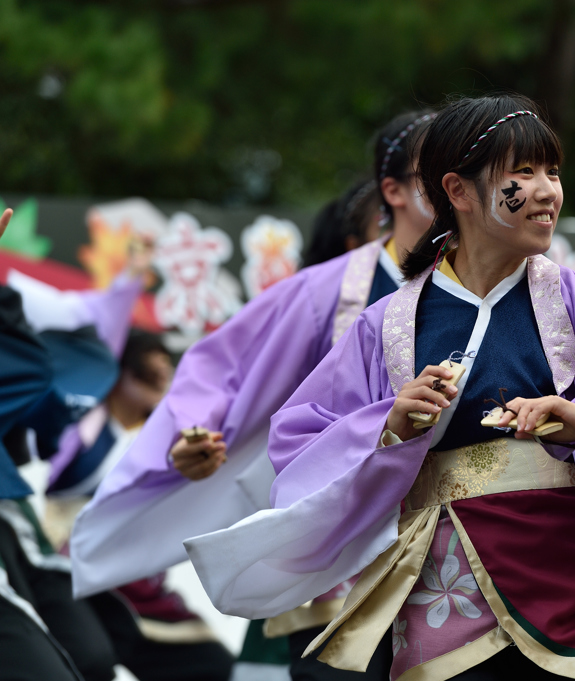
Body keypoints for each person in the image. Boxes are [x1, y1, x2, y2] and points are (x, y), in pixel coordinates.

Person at [185, 93, 575, 681]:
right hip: (450, 587)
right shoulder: (387, 324)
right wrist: (387, 423)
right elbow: (298, 441)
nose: (548, 190)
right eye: (523, 173)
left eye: (552, 171)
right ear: (458, 191)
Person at [71, 110, 436, 681]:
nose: (456, 183)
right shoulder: (327, 291)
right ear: (393, 191)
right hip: (339, 545)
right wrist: (191, 433)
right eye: (433, 171)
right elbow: (222, 368)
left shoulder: (513, 288)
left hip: (459, 550)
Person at [0, 206, 149, 681]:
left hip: (24, 524)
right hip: (43, 528)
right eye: (156, 368)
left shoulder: (103, 414)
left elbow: (35, 393)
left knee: (92, 656)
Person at [45, 329, 235, 681]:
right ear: (120, 372)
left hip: (135, 581)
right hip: (69, 567)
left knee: (212, 663)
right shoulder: (80, 425)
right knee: (91, 659)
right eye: (149, 369)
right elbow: (54, 481)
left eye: (166, 369)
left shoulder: (162, 436)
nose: (162, 374)